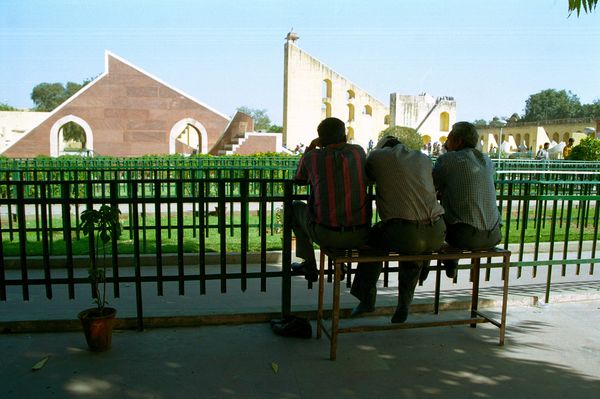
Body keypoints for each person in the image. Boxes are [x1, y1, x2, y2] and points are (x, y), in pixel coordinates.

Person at [350, 136, 446, 323]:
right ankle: (404, 304)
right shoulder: (422, 157)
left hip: (404, 231)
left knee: (371, 242)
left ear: (383, 147)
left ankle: (366, 298)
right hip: (437, 231)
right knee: (413, 249)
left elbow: (365, 180)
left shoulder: (377, 156)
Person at [291, 117, 372, 282]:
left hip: (326, 234)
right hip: (360, 234)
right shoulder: (358, 152)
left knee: (294, 207)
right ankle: (338, 261)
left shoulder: (312, 157)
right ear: (344, 136)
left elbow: (299, 180)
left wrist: (311, 147)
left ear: (320, 138)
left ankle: (309, 263)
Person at [433, 122, 502, 278]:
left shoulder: (448, 159)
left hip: (465, 236)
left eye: (449, 139)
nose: (445, 143)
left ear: (459, 141)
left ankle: (429, 265)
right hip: (494, 235)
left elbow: (430, 187)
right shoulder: (486, 160)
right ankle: (451, 260)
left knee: (429, 224)